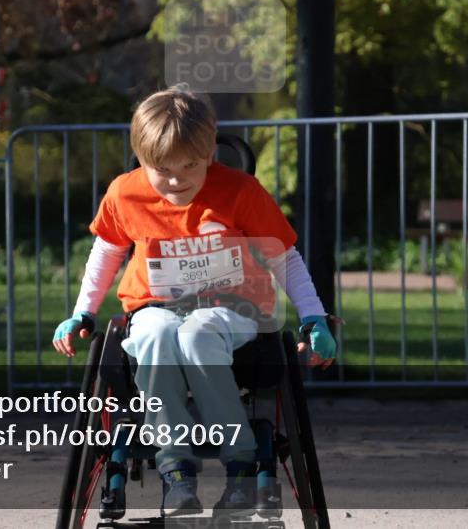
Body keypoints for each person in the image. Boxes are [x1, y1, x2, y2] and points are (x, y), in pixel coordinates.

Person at [52, 85, 337, 519]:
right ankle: (176, 469)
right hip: (154, 307)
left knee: (198, 332)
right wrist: (82, 312)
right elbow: (107, 252)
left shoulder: (239, 191)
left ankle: (241, 463)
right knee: (157, 333)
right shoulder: (125, 193)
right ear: (142, 159)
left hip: (233, 308)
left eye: (189, 166)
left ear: (210, 155)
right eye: (161, 168)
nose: (175, 180)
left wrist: (314, 318)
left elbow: (284, 258)